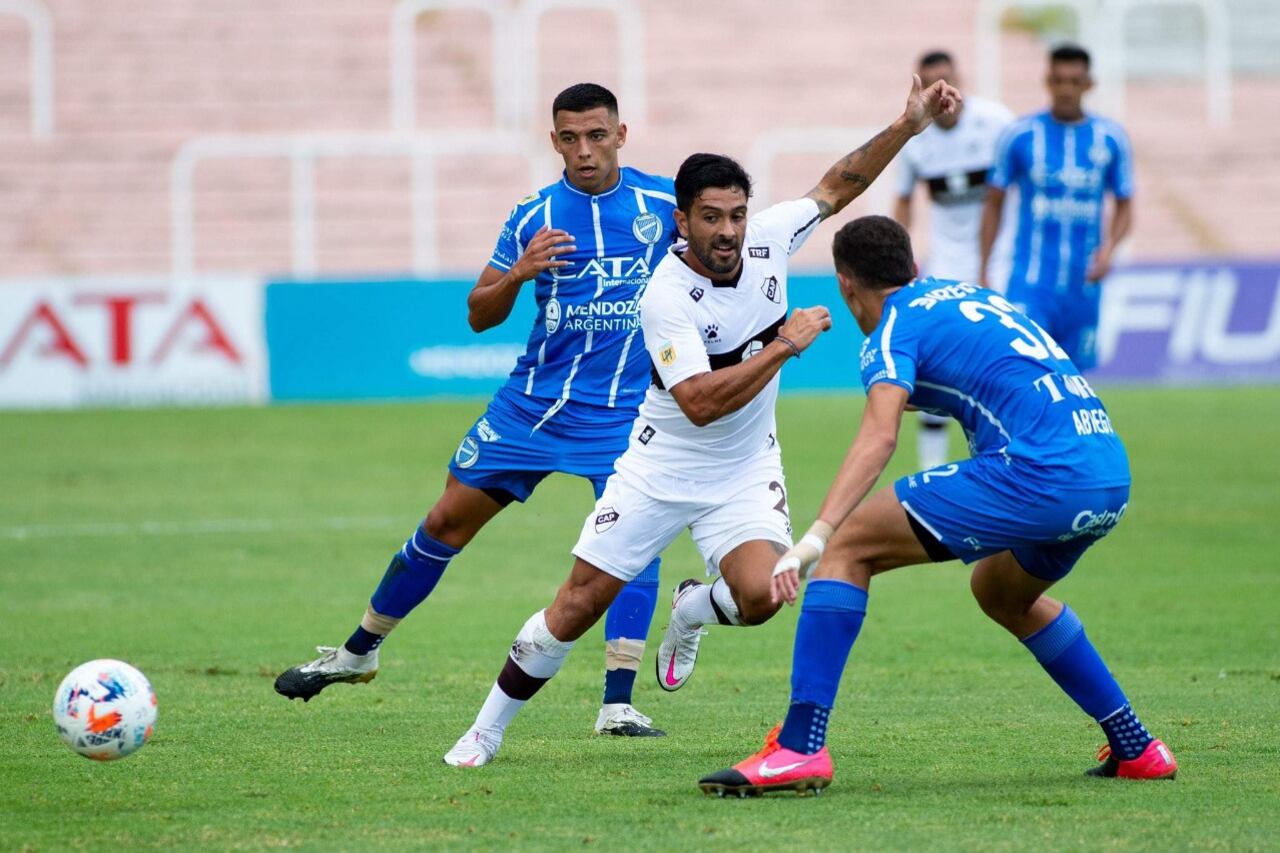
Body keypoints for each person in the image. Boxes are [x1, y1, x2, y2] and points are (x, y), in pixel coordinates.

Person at [441, 75, 963, 768]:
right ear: (682, 221)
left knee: (761, 596)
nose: (729, 231)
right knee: (575, 605)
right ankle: (486, 729)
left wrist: (908, 124)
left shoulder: (770, 238)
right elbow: (701, 401)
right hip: (660, 465)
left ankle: (691, 610)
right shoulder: (664, 295)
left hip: (744, 469)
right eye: (712, 217)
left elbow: (840, 183)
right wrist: (784, 343)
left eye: (738, 215)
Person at [699, 215, 1176, 797]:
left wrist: (815, 536)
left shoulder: (892, 330)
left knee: (849, 547)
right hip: (1106, 471)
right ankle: (1137, 746)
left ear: (845, 286)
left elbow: (878, 438)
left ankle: (799, 747)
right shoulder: (968, 296)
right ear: (914, 268)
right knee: (1000, 592)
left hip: (1041, 473)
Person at [274, 83, 678, 738]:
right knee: (442, 523)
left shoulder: (665, 204)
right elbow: (478, 312)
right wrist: (519, 273)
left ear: (621, 135)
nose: (583, 150)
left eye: (596, 135)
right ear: (554, 141)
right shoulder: (533, 214)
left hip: (623, 416)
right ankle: (358, 651)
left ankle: (618, 702)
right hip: (531, 409)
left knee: (630, 543)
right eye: (569, 138)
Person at [892, 49, 1014, 471]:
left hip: (1003, 259)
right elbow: (903, 201)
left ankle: (1007, 459)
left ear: (959, 78)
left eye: (948, 80)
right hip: (946, 261)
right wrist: (902, 257)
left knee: (1003, 361)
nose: (943, 91)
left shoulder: (998, 123)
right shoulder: (915, 140)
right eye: (932, 84)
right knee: (936, 361)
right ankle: (932, 468)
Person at [980, 43, 1134, 371]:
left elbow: (1125, 205)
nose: (1066, 89)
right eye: (1059, 80)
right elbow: (993, 203)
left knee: (1075, 377)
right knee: (1024, 369)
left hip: (1084, 282)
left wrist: (1109, 249)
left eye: (1074, 81)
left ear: (1088, 84)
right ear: (1047, 81)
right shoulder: (1019, 135)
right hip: (1031, 281)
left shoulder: (1111, 139)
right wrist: (985, 264)